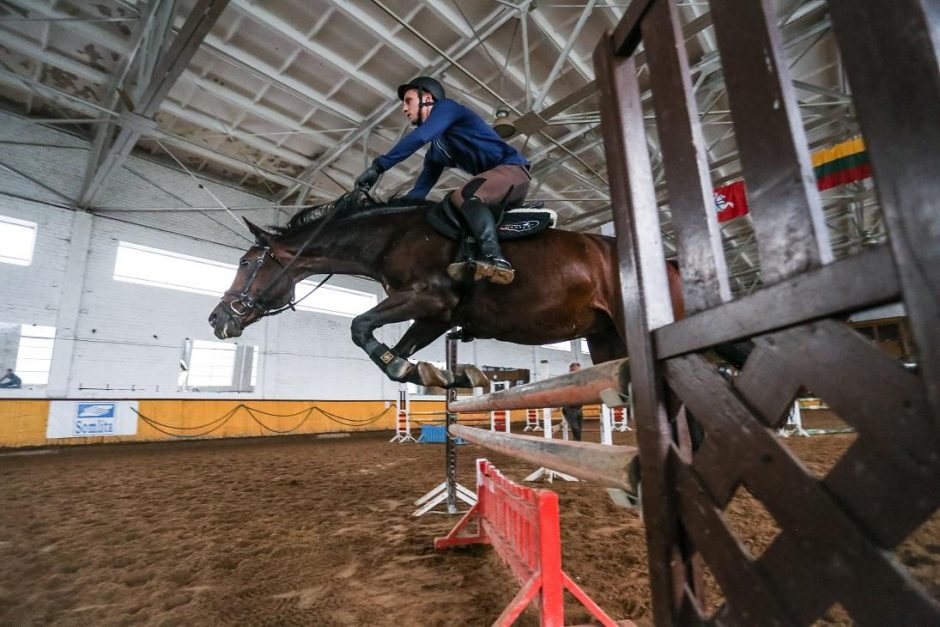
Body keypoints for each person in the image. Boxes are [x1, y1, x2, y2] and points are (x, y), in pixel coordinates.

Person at [354, 76, 531, 285]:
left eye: (408, 100)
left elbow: (419, 137)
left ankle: (494, 258)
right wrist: (389, 213)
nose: (404, 109)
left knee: (464, 195)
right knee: (448, 211)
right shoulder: (436, 154)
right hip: (495, 187)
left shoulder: (448, 107)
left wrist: (378, 167)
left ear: (427, 97)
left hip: (512, 171)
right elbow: (418, 193)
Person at [561, 362, 583, 441]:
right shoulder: (567, 381)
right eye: (578, 370)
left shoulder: (579, 380)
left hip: (578, 408)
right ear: (572, 370)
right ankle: (576, 446)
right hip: (569, 409)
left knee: (578, 430)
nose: (580, 372)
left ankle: (577, 445)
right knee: (576, 430)